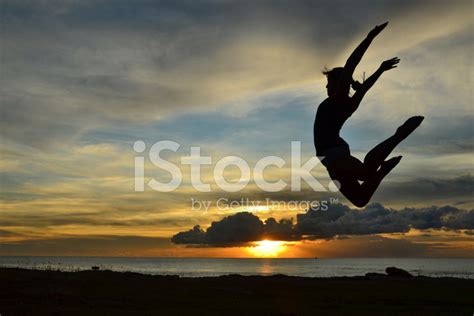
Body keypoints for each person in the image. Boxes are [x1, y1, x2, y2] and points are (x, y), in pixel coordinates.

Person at [313, 22, 423, 207]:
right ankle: (383, 169)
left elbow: (351, 64)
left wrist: (369, 38)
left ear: (340, 83)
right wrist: (380, 69)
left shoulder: (339, 98)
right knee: (360, 199)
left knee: (366, 173)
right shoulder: (350, 103)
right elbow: (364, 88)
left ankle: (398, 136)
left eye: (329, 82)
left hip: (333, 154)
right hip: (330, 158)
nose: (326, 86)